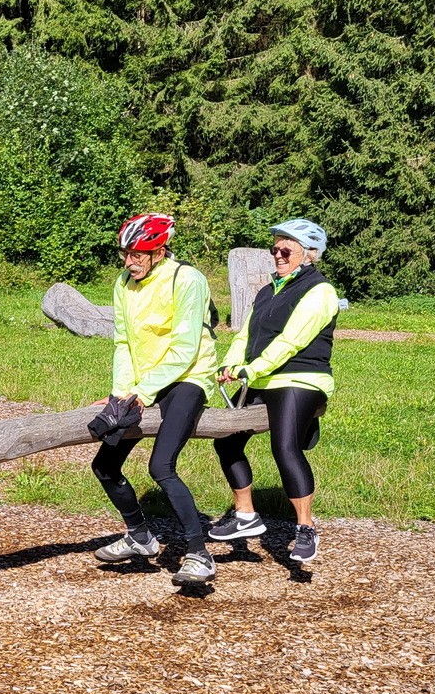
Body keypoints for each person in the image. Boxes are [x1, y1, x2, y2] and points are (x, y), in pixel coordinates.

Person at [88, 213, 219, 586]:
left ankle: (199, 554)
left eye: (138, 255)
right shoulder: (124, 283)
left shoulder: (187, 279)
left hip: (189, 377)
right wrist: (121, 393)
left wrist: (143, 394)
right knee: (105, 465)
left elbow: (185, 347)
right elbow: (124, 343)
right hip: (146, 381)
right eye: (126, 254)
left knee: (161, 467)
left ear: (160, 250)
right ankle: (140, 537)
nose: (129, 262)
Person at [210, 219, 339, 563]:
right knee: (225, 439)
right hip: (263, 379)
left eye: (287, 250)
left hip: (300, 378)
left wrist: (252, 370)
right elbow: (244, 335)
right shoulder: (268, 290)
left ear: (309, 255)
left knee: (284, 447)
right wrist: (231, 363)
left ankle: (306, 529)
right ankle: (246, 516)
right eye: (275, 249)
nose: (278, 255)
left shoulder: (320, 291)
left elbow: (292, 340)